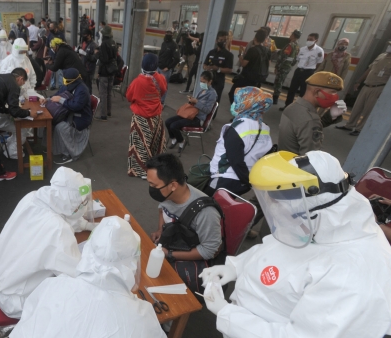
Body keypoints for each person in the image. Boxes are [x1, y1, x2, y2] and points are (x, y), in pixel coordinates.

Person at [200, 150, 391, 338]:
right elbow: (279, 247)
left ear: (315, 203)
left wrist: (228, 315)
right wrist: (236, 267)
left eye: (281, 203)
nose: (275, 210)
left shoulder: (352, 274)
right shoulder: (317, 223)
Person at [10, 216, 166, 338]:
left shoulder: (53, 286)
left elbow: (27, 324)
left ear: (87, 250)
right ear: (132, 263)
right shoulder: (142, 316)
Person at [0, 167, 98, 319]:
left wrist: (87, 225)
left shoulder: (33, 197)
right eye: (81, 203)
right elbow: (78, 273)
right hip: (17, 300)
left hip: (3, 279)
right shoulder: (58, 231)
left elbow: (65, 213)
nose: (83, 207)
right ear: (70, 201)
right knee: (82, 306)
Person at [147, 153, 223, 292]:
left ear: (173, 185)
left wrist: (169, 254)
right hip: (170, 245)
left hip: (189, 258)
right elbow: (162, 208)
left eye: (153, 185)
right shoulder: (167, 194)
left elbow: (209, 250)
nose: (151, 189)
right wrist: (160, 230)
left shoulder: (205, 213)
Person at [205, 87, 272, 197]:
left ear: (248, 104)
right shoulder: (265, 128)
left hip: (225, 179)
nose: (234, 104)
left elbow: (236, 161)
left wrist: (247, 180)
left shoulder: (238, 127)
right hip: (243, 182)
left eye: (238, 101)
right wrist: (249, 181)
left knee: (205, 207)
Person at [278, 72, 346, 155]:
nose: (335, 97)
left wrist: (329, 117)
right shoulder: (310, 120)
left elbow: (302, 128)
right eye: (332, 92)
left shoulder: (293, 107)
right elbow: (311, 158)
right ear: (317, 92)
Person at [335, 42, 391, 136]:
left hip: (378, 87)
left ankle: (359, 129)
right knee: (357, 107)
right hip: (367, 85)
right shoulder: (381, 56)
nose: (389, 46)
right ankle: (349, 125)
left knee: (368, 110)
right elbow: (370, 69)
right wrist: (359, 81)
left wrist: (385, 92)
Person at [126, 54, 167, 179]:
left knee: (140, 144)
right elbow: (163, 90)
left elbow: (129, 96)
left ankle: (142, 171)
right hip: (156, 117)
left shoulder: (137, 81)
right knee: (154, 143)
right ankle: (156, 167)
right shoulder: (160, 78)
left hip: (140, 117)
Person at [41, 68, 92, 165]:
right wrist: (48, 99)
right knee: (50, 121)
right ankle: (50, 146)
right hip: (69, 112)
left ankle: (69, 154)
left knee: (60, 127)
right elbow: (58, 94)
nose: (65, 83)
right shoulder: (69, 84)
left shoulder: (82, 89)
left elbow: (76, 106)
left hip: (80, 117)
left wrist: (61, 100)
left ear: (74, 79)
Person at [166, 71, 216, 153]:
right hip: (190, 114)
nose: (201, 84)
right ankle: (174, 139)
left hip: (198, 118)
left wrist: (196, 102)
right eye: (201, 81)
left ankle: (181, 142)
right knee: (168, 122)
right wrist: (192, 101)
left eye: (204, 82)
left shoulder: (212, 94)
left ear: (210, 82)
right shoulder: (202, 90)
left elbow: (208, 110)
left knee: (174, 126)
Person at [282, 33, 325, 110]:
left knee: (303, 92)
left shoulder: (319, 51)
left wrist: (312, 70)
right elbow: (298, 59)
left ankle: (299, 109)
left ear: (316, 40)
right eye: (308, 39)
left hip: (308, 72)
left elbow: (319, 62)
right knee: (292, 89)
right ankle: (287, 106)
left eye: (311, 39)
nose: (309, 41)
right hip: (299, 71)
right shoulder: (302, 49)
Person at [228, 29, 270, 104]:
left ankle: (238, 110)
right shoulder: (267, 51)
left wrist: (240, 54)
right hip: (258, 79)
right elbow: (268, 63)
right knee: (249, 98)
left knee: (232, 93)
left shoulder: (252, 50)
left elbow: (243, 64)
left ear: (255, 38)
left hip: (247, 78)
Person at [201, 31, 234, 103]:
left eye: (225, 40)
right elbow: (204, 64)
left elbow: (229, 70)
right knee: (203, 100)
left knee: (214, 102)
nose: (223, 42)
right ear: (216, 41)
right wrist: (207, 67)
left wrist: (218, 69)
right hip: (208, 80)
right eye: (221, 40)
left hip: (218, 81)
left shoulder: (228, 55)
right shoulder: (211, 52)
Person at [272, 29, 301, 104]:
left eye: (291, 34)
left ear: (293, 36)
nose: (290, 36)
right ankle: (275, 97)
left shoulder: (290, 45)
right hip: (288, 66)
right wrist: (291, 65)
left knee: (278, 82)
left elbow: (283, 56)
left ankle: (275, 98)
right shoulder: (297, 46)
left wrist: (277, 66)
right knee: (281, 80)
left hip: (283, 66)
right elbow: (296, 58)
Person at [96, 25, 117, 121]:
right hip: (112, 71)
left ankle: (103, 115)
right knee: (109, 93)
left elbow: (104, 59)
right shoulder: (113, 42)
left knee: (103, 93)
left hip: (104, 71)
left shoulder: (104, 44)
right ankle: (109, 112)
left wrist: (98, 54)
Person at [157, 30, 180, 105]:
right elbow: (161, 55)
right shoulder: (163, 43)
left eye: (170, 33)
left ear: (173, 35)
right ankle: (156, 101)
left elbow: (177, 59)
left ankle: (162, 102)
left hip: (165, 70)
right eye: (167, 33)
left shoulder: (174, 45)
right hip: (159, 68)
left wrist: (169, 67)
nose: (168, 34)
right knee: (156, 86)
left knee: (163, 87)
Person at [78, 29, 99, 93]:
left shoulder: (93, 45)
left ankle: (90, 100)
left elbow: (94, 58)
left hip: (89, 69)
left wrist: (85, 54)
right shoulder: (85, 43)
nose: (84, 36)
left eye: (85, 35)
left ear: (89, 35)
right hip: (83, 68)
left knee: (88, 86)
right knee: (83, 86)